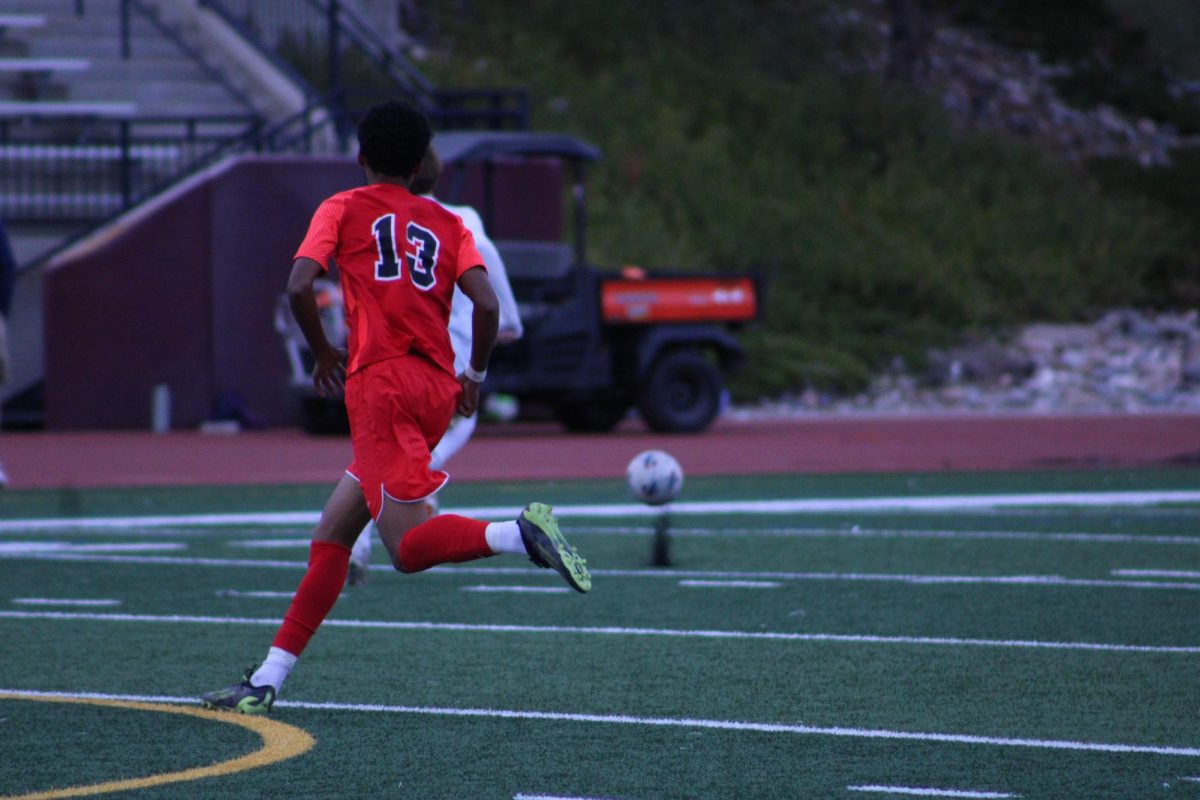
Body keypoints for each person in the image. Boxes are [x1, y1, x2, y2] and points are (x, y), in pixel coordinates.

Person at [200, 99, 591, 715]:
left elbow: (300, 283)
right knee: (333, 534)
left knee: (406, 549)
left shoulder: (341, 206)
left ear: (360, 158)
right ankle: (268, 679)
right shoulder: (449, 223)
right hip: (437, 390)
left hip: (379, 387)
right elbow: (487, 306)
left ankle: (517, 534)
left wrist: (323, 352)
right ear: (419, 164)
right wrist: (477, 374)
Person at [346, 145, 524, 585]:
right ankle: (390, 523)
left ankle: (373, 531)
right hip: (445, 365)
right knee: (421, 450)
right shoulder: (462, 224)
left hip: (382, 360)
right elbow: (498, 309)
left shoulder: (365, 218)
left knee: (387, 452)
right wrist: (477, 371)